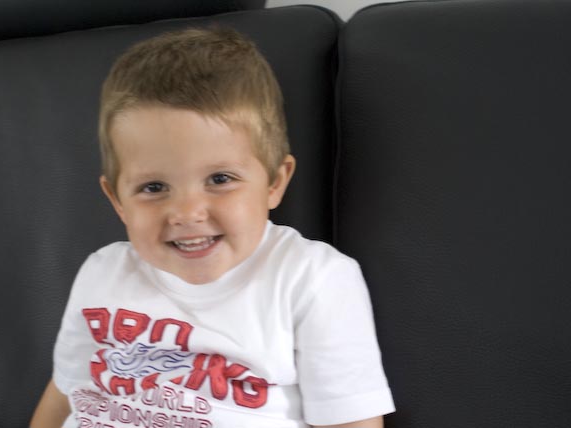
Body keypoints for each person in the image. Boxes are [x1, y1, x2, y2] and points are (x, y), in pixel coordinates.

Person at [31, 27, 394, 428]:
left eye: (220, 179)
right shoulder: (101, 274)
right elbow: (65, 390)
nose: (187, 213)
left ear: (274, 182)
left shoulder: (312, 279)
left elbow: (353, 422)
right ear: (117, 200)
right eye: (154, 187)